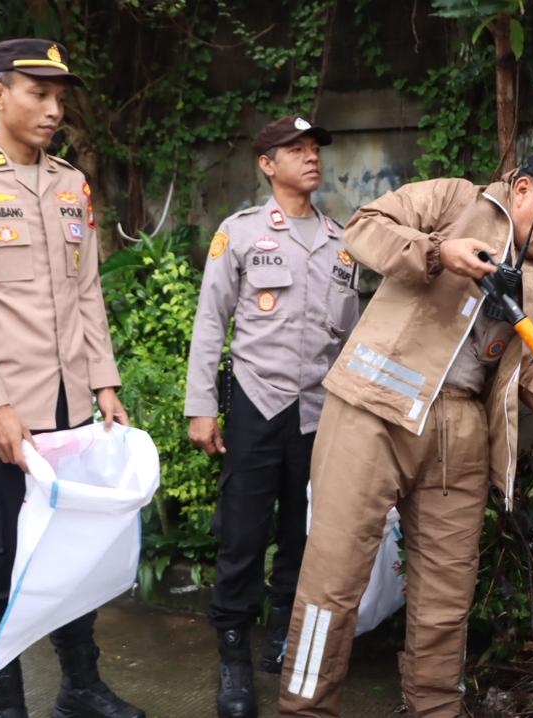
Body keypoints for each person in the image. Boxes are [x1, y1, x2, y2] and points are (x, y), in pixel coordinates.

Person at [278, 148, 533, 717]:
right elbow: (363, 228)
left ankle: (435, 709)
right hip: (373, 406)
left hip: (460, 428)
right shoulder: (456, 200)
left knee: (445, 601)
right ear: (526, 189)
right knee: (330, 586)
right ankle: (302, 709)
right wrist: (437, 252)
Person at [0, 39, 142, 718]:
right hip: (8, 416)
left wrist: (105, 385)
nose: (53, 109)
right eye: (36, 93)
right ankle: (5, 703)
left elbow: (87, 293)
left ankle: (81, 687)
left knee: (72, 560)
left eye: (58, 96)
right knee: (5, 569)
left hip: (74, 409)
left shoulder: (71, 184)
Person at [184, 115, 358, 718]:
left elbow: (352, 337)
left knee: (303, 537)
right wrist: (201, 406)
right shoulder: (240, 234)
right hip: (257, 405)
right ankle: (233, 653)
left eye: (315, 149)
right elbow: (211, 323)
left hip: (320, 411)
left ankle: (282, 635)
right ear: (267, 163)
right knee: (242, 535)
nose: (311, 158)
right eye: (296, 149)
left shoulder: (343, 240)